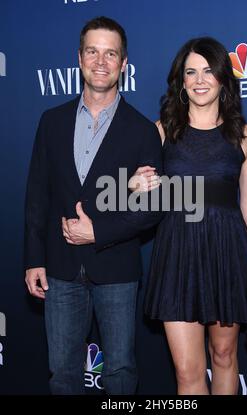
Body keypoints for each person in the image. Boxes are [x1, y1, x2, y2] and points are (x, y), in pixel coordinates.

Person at [132, 37, 247, 395]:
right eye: (191, 72)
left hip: (227, 252)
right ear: (181, 82)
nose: (200, 80)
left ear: (223, 79)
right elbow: (133, 193)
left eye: (208, 71)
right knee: (186, 372)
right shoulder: (161, 131)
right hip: (178, 253)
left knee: (224, 354)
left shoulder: (245, 136)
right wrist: (134, 185)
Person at [24, 16, 162, 395]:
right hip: (59, 269)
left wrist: (97, 231)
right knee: (63, 373)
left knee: (119, 371)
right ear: (80, 58)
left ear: (124, 63)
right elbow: (38, 195)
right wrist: (34, 258)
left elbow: (152, 208)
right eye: (92, 51)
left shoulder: (142, 130)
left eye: (111, 53)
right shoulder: (51, 122)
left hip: (117, 269)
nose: (101, 61)